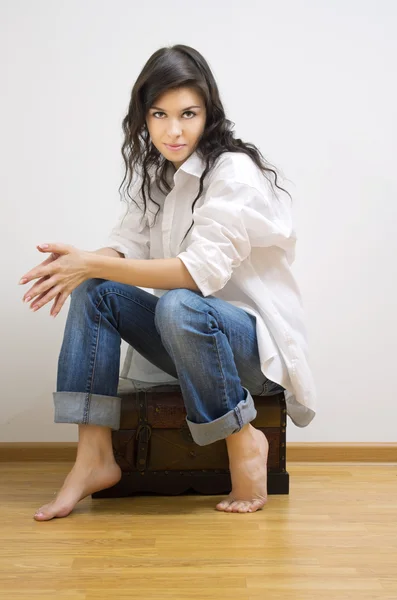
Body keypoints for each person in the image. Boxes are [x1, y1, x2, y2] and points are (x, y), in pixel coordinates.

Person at [19, 44, 316, 520]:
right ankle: (94, 457)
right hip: (187, 345)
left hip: (251, 355)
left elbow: (197, 274)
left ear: (209, 113)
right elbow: (124, 246)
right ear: (143, 116)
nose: (173, 130)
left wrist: (91, 264)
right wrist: (75, 263)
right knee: (94, 292)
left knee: (178, 302)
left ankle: (244, 438)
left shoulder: (232, 172)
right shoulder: (156, 175)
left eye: (188, 114)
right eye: (159, 114)